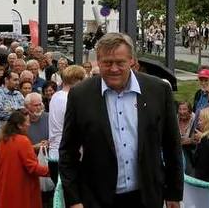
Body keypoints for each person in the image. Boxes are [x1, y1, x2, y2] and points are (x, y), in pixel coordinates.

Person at [59, 32, 183, 208]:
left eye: (120, 62)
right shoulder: (80, 95)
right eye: (107, 63)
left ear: (131, 60)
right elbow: (68, 152)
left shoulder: (159, 90)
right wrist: (74, 200)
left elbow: (172, 146)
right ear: (98, 62)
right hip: (97, 199)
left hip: (147, 198)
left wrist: (174, 192)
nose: (114, 68)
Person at [0, 110, 50, 208]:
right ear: (19, 125)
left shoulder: (2, 140)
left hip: (5, 187)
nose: (29, 125)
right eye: (27, 122)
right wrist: (52, 171)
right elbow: (32, 167)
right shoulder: (23, 140)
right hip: (20, 189)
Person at [48, 65, 87, 182]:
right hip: (67, 157)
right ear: (77, 81)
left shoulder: (55, 96)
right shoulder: (70, 98)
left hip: (54, 154)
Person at [0, 72, 25, 144]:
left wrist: (13, 111)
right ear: (6, 80)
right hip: (2, 134)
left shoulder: (18, 94)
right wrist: (17, 113)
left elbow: (24, 111)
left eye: (18, 80)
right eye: (15, 80)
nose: (17, 82)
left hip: (18, 133)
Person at [177, 101, 197, 174]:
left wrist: (190, 141)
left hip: (191, 152)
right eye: (180, 109)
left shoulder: (196, 120)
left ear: (190, 110)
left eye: (184, 109)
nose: (182, 112)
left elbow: (196, 139)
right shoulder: (175, 119)